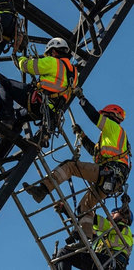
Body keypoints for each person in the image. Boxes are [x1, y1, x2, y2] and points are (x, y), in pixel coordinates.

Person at [23, 91, 131, 241]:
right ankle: (85, 238)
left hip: (110, 173)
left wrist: (82, 99)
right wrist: (82, 135)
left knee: (70, 166)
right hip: (112, 180)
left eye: (105, 116)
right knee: (84, 208)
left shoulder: (114, 127)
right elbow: (95, 153)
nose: (103, 120)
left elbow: (94, 116)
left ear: (111, 116)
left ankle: (43, 189)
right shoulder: (112, 138)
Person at [0, 37, 78, 136]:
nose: (49, 56)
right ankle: (13, 133)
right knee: (18, 115)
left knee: (5, 84)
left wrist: (20, 59)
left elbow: (28, 66)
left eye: (49, 54)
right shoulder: (75, 73)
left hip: (39, 102)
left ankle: (5, 120)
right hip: (49, 112)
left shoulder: (53, 62)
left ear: (54, 51)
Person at [55, 207, 132, 269]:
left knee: (64, 253)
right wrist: (67, 212)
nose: (111, 213)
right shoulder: (107, 234)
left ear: (124, 219)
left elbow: (93, 219)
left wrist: (86, 208)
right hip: (105, 262)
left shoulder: (121, 227)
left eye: (115, 212)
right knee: (61, 255)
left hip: (110, 262)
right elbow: (86, 228)